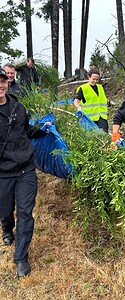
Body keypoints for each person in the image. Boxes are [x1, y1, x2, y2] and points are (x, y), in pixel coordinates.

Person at [0, 67, 50, 277]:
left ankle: (21, 257)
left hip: (26, 171)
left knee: (25, 213)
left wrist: (43, 129)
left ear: (7, 83)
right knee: (4, 210)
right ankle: (6, 227)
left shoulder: (17, 107)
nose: (0, 86)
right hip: (2, 172)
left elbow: (26, 129)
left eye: (2, 81)